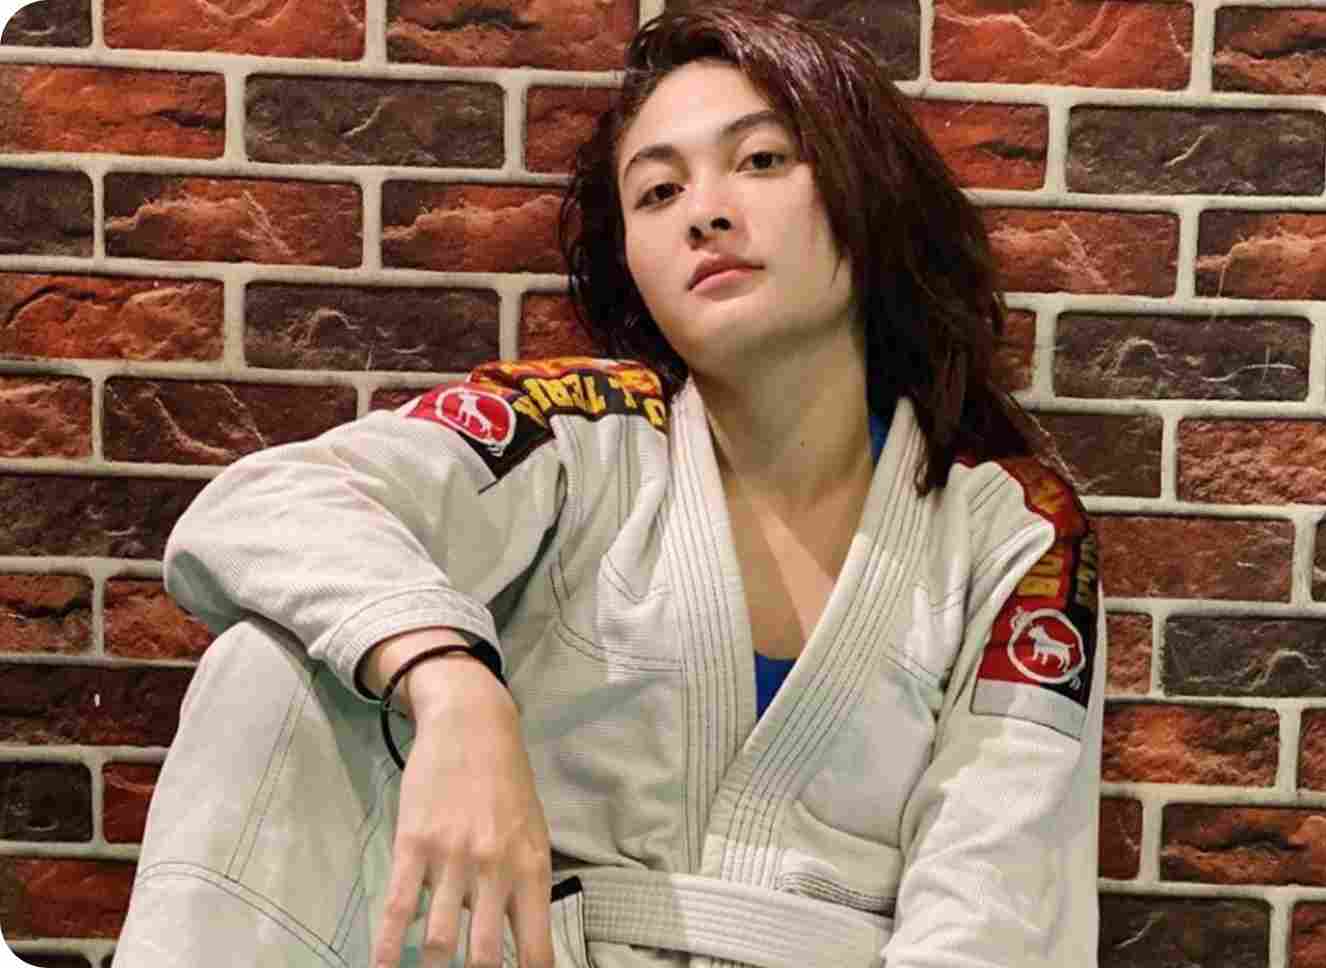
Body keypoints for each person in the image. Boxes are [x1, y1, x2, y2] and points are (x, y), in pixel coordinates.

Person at [113, 4, 1106, 967]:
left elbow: (995, 904)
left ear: (867, 188)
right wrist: (452, 681)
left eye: (762, 160)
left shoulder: (1010, 535)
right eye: (657, 193)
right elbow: (264, 503)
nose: (705, 212)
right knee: (268, 668)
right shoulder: (576, 435)